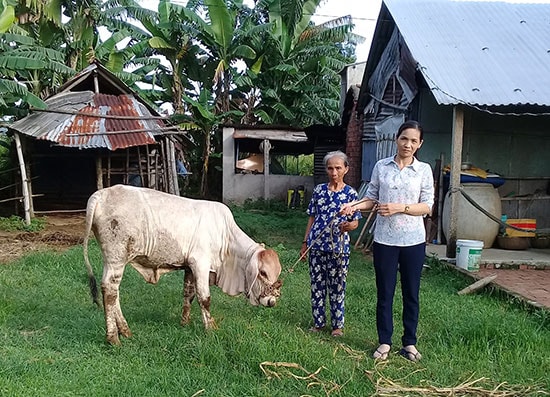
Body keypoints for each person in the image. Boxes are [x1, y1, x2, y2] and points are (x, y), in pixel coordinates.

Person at [340, 120, 434, 361]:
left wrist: (399, 207)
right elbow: (371, 198)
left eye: (414, 141)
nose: (408, 144)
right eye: (405, 138)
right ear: (397, 139)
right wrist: (353, 205)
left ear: (419, 144)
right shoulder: (382, 166)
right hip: (384, 240)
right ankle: (384, 342)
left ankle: (410, 343)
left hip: (413, 241)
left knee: (411, 293)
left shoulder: (423, 170)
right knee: (385, 293)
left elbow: (427, 206)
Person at [300, 150, 362, 337]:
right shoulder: (319, 191)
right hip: (317, 247)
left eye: (338, 168)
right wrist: (305, 243)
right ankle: (318, 323)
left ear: (346, 169)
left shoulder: (351, 194)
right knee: (317, 285)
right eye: (330, 168)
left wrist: (349, 226)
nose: (334, 172)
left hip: (339, 249)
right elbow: (312, 218)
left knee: (338, 286)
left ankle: (337, 326)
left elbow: (356, 221)